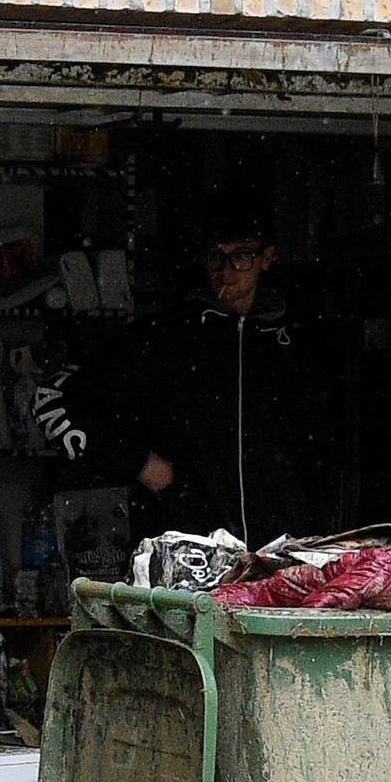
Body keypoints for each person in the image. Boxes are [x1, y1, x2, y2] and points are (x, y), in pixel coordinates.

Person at [122, 209, 341, 546]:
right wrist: (140, 462)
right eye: (216, 257)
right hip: (190, 535)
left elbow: (320, 448)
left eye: (241, 257)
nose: (226, 272)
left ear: (266, 258)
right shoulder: (168, 334)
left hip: (281, 538)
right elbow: (88, 399)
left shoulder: (297, 341)